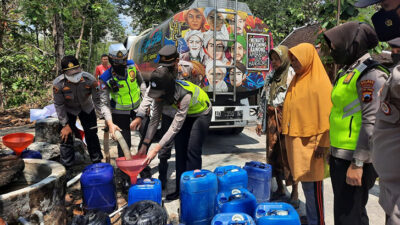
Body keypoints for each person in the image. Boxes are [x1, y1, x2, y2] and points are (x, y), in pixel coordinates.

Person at [324, 21, 389, 225]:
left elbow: (371, 122)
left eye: (336, 45)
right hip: (340, 155)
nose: (332, 50)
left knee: (350, 217)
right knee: (346, 215)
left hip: (355, 159)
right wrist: (332, 150)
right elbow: (339, 113)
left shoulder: (370, 74)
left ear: (353, 44)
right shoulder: (347, 71)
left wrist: (358, 163)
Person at [354, 1, 400, 224]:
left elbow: (370, 119)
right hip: (392, 196)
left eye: (387, 4)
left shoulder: (375, 75)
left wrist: (359, 161)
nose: (383, 14)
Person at [138, 66, 212, 201]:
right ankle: (179, 190)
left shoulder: (184, 94)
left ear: (167, 90)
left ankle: (193, 194)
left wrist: (156, 148)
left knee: (192, 150)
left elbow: (175, 127)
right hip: (187, 114)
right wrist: (145, 144)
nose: (157, 99)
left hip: (201, 114)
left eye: (158, 96)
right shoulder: (160, 94)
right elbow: (154, 121)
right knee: (180, 152)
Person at [282, 43, 332, 225]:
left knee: (313, 188)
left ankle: (318, 222)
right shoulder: (298, 79)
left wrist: (323, 144)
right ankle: (312, 220)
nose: (294, 63)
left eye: (297, 59)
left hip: (313, 147)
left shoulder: (319, 83)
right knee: (306, 186)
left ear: (308, 58)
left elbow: (328, 118)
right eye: (292, 59)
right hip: (299, 146)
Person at [130, 45, 180, 190]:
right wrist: (140, 115)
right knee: (163, 146)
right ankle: (162, 179)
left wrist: (156, 148)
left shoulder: (187, 72)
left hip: (183, 111)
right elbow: (150, 101)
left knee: (178, 146)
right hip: (166, 111)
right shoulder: (159, 75)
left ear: (176, 61)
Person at [98, 43, 150, 180]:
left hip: (138, 107)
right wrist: (110, 123)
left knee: (146, 137)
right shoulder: (105, 78)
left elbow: (142, 83)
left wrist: (146, 103)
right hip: (119, 113)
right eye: (118, 62)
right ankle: (125, 175)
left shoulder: (132, 65)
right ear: (111, 60)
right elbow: (104, 104)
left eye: (124, 60)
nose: (122, 64)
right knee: (124, 143)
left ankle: (144, 166)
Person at [256, 45, 298, 207]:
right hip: (272, 119)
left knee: (289, 156)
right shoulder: (271, 76)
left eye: (277, 58)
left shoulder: (292, 75)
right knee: (272, 154)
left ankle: (294, 192)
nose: (273, 62)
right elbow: (263, 98)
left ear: (285, 58)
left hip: (287, 119)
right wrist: (260, 120)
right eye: (272, 58)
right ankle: (280, 188)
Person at [53, 55, 103, 174]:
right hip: (68, 110)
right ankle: (67, 168)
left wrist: (104, 116)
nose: (75, 74)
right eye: (71, 72)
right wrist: (65, 124)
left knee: (91, 134)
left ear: (80, 68)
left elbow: (97, 99)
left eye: (77, 70)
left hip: (87, 108)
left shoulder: (90, 79)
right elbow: (59, 105)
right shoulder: (58, 84)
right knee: (66, 137)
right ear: (64, 72)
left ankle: (97, 162)